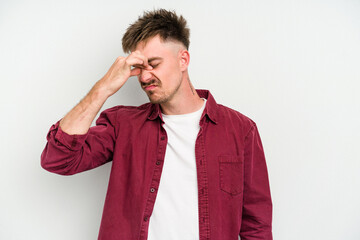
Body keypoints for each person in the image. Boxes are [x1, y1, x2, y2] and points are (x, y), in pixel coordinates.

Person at [41, 9, 272, 240]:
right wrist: (103, 88)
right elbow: (58, 159)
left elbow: (256, 226)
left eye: (154, 64)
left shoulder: (241, 130)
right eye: (139, 68)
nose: (143, 77)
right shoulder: (123, 125)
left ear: (183, 60)